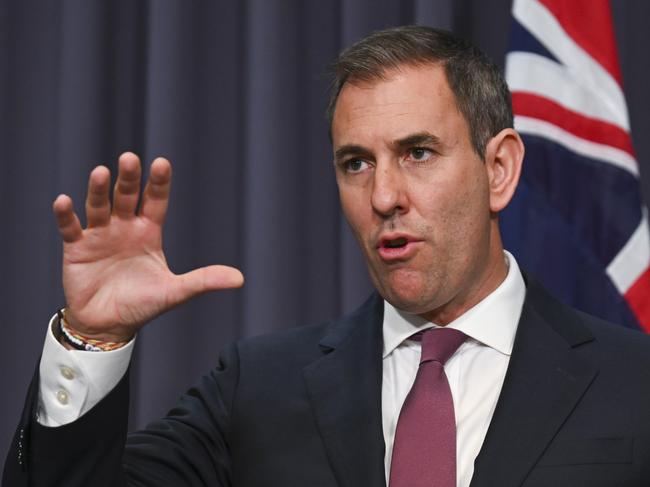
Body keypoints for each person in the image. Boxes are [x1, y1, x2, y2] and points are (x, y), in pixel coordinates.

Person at [4, 25, 650, 487]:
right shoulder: (256, 387)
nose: (385, 195)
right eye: (355, 163)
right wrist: (93, 335)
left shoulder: (635, 383)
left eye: (418, 152)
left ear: (500, 168)